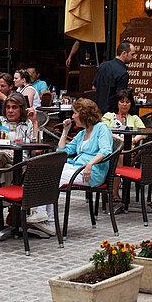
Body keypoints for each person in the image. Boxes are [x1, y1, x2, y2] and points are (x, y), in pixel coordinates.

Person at [0, 93, 40, 233]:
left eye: (14, 107)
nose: (10, 111)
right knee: (6, 166)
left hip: (22, 163)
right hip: (3, 161)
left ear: (21, 109)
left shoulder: (27, 124)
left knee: (4, 166)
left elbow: (38, 150)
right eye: (8, 107)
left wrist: (35, 123)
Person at [57, 98, 115, 232]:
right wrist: (65, 132)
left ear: (83, 114)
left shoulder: (102, 128)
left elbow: (106, 151)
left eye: (74, 113)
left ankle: (46, 219)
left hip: (93, 172)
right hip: (77, 169)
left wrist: (90, 163)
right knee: (48, 172)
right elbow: (62, 152)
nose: (72, 117)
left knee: (52, 178)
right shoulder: (82, 133)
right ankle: (44, 218)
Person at [102, 88, 146, 209]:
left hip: (129, 149)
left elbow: (143, 132)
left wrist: (134, 140)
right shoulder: (109, 116)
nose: (124, 104)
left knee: (121, 154)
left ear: (131, 104)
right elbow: (104, 130)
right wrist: (119, 139)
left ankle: (116, 191)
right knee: (118, 154)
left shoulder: (134, 118)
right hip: (110, 148)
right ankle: (116, 191)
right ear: (117, 103)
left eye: (127, 102)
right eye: (122, 101)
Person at [92, 41, 135, 114]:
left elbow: (94, 87)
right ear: (124, 53)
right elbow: (121, 97)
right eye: (132, 54)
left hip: (97, 111)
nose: (134, 57)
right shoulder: (123, 73)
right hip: (112, 114)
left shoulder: (103, 66)